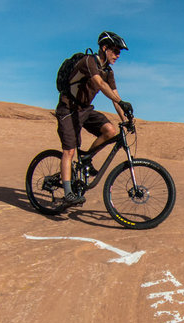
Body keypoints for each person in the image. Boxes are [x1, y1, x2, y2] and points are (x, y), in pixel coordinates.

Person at [56, 31, 134, 206]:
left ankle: (86, 159)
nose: (118, 55)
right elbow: (100, 84)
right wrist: (121, 102)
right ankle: (68, 193)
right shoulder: (89, 62)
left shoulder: (108, 72)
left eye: (119, 52)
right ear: (104, 48)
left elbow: (115, 97)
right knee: (69, 151)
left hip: (84, 110)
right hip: (68, 109)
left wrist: (126, 120)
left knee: (110, 130)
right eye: (115, 50)